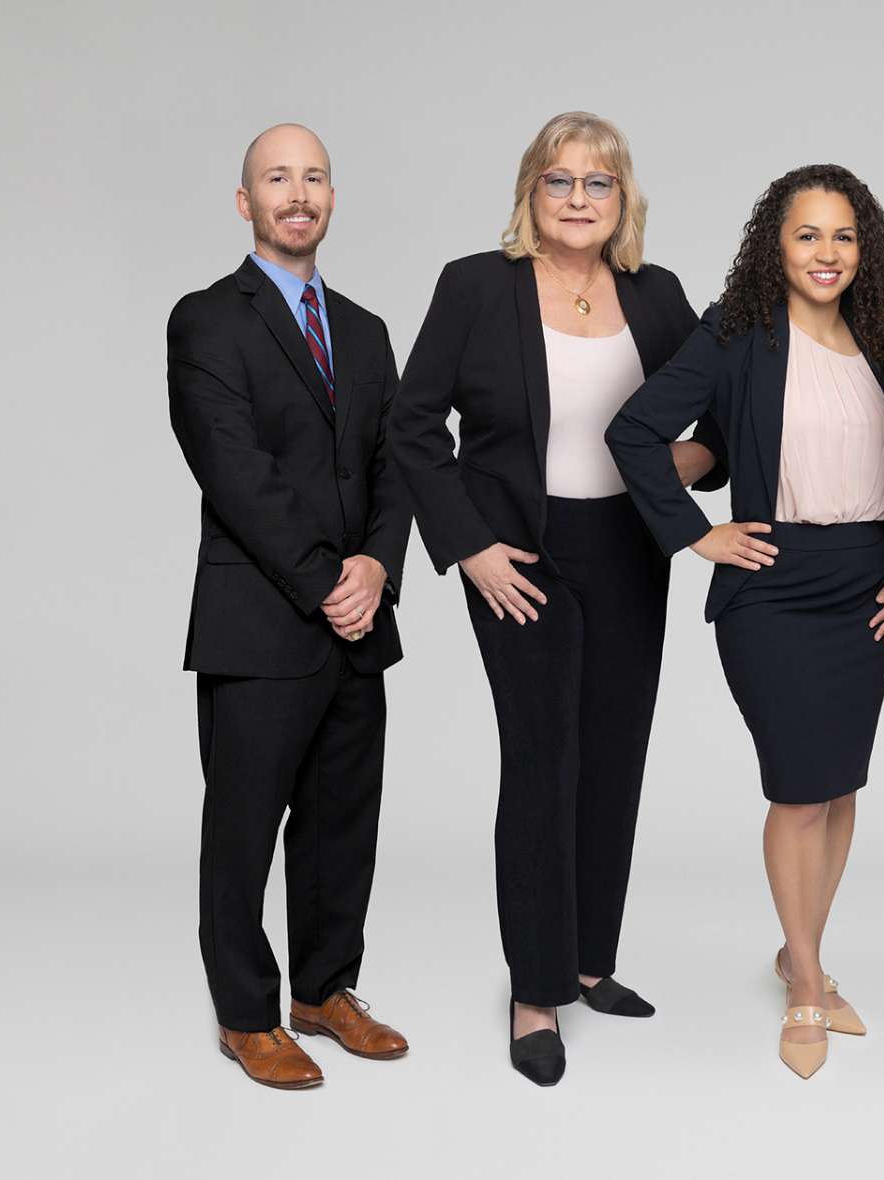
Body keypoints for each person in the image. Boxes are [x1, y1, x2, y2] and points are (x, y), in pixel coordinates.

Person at [390, 112, 724, 1087]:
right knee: (544, 761)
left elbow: (725, 417)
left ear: (624, 199)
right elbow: (414, 428)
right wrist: (470, 548)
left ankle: (587, 960)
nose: (578, 199)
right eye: (559, 181)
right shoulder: (475, 287)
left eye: (598, 184)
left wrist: (679, 466)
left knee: (614, 754)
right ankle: (534, 993)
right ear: (530, 192)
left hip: (629, 549)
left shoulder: (656, 296)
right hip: (520, 556)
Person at [609, 164, 884, 1079]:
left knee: (840, 783)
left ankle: (801, 953)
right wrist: (694, 537)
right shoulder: (739, 334)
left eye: (844, 236)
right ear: (774, 248)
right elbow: (638, 432)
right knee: (797, 788)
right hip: (775, 585)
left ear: (868, 250)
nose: (827, 254)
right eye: (807, 236)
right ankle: (808, 984)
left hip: (869, 582)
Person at [168, 123, 412, 1089]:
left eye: (312, 178)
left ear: (332, 198)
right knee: (242, 827)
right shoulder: (206, 320)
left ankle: (324, 991)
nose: (296, 193)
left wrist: (377, 570)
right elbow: (234, 470)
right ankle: (244, 1015)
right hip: (261, 622)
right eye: (277, 178)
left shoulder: (365, 329)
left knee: (342, 819)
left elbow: (398, 467)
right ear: (245, 202)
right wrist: (325, 582)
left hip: (360, 617)